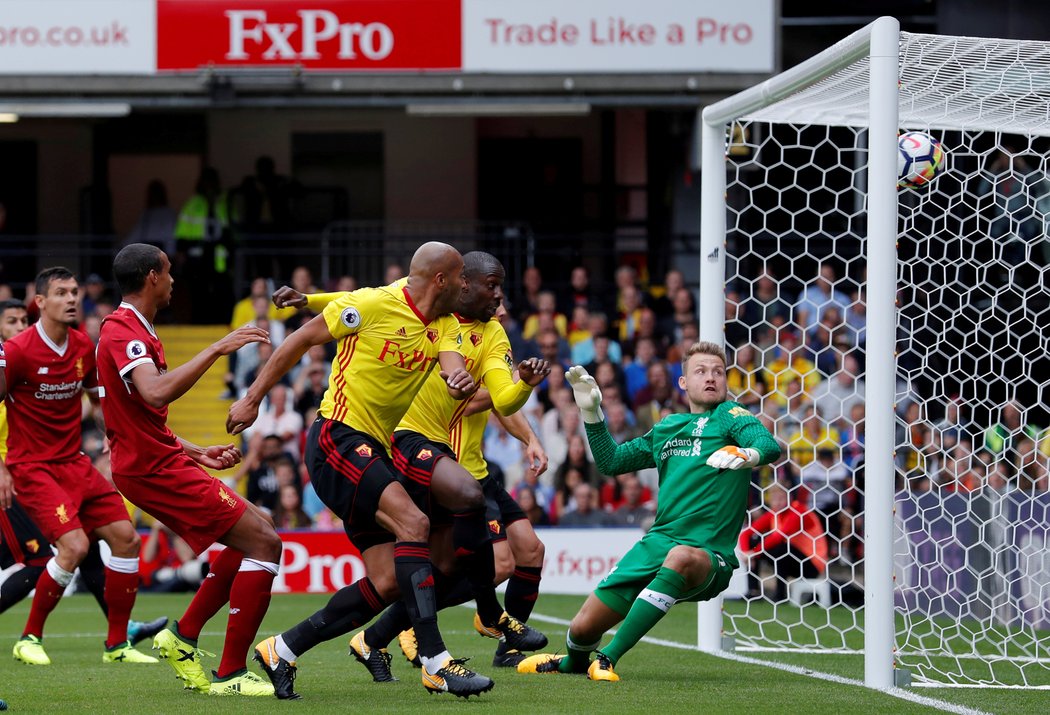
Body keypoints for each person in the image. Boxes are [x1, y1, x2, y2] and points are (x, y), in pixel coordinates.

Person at [228, 242, 494, 699]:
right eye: (463, 278)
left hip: (373, 450)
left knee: (389, 581)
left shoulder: (446, 325)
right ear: (442, 280)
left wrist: (459, 380)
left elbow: (452, 370)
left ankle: (282, 650)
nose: (468, 286)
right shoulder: (373, 304)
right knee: (415, 523)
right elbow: (300, 339)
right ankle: (434, 661)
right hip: (337, 437)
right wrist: (252, 398)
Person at [517, 341, 780, 681]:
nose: (711, 378)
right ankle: (572, 663)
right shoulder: (668, 427)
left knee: (682, 558)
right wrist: (591, 413)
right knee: (581, 629)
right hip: (657, 543)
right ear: (683, 382)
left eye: (718, 372)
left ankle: (608, 657)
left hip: (706, 553)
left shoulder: (732, 416)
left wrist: (749, 455)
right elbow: (611, 461)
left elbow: (767, 444)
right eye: (701, 371)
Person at [96, 244, 283, 696]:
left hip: (159, 459)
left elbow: (141, 416)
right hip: (150, 470)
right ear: (152, 277)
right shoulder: (125, 332)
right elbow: (156, 393)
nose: (175, 279)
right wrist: (218, 347)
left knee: (263, 526)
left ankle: (183, 637)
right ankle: (230, 672)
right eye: (169, 271)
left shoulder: (137, 330)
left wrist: (196, 451)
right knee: (265, 542)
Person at [0, 268, 156, 666]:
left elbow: (98, 400)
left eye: (74, 292)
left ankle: (117, 644)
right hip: (32, 468)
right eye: (61, 293)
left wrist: (112, 434)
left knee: (126, 538)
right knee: (75, 546)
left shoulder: (84, 345)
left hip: (76, 463)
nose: (71, 298)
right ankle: (29, 637)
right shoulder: (17, 350)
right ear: (40, 302)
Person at [738, 484, 827, 601]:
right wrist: (747, 553)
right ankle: (753, 592)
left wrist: (754, 553)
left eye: (781, 498)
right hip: (790, 559)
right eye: (774, 499)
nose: (777, 502)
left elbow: (779, 537)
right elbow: (746, 534)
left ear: (789, 498)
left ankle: (780, 594)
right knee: (754, 540)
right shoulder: (774, 513)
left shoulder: (799, 511)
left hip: (811, 564)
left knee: (781, 548)